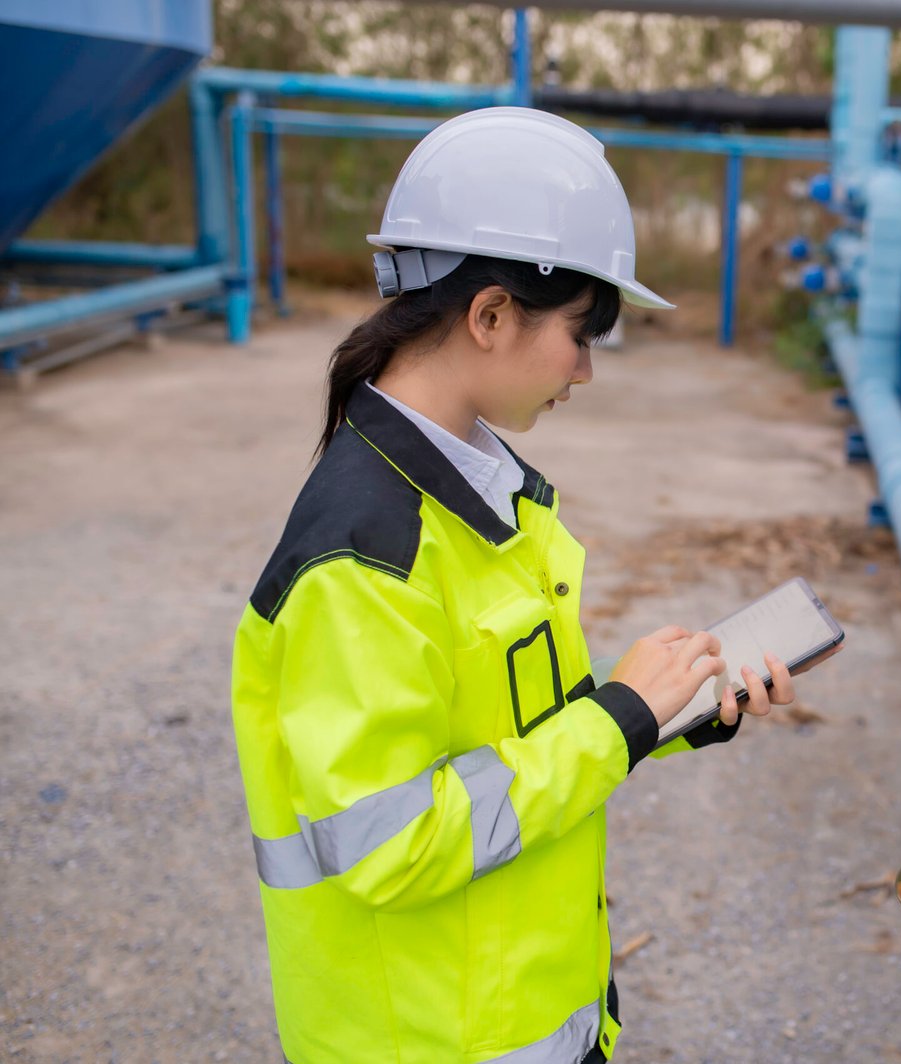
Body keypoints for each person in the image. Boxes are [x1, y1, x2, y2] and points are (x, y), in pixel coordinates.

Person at [231, 107, 816, 1063]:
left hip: (517, 1016)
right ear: (492, 315)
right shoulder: (367, 556)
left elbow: (509, 743)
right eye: (581, 334)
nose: (585, 369)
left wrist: (667, 711)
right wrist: (617, 722)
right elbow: (392, 846)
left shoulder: (477, 496)